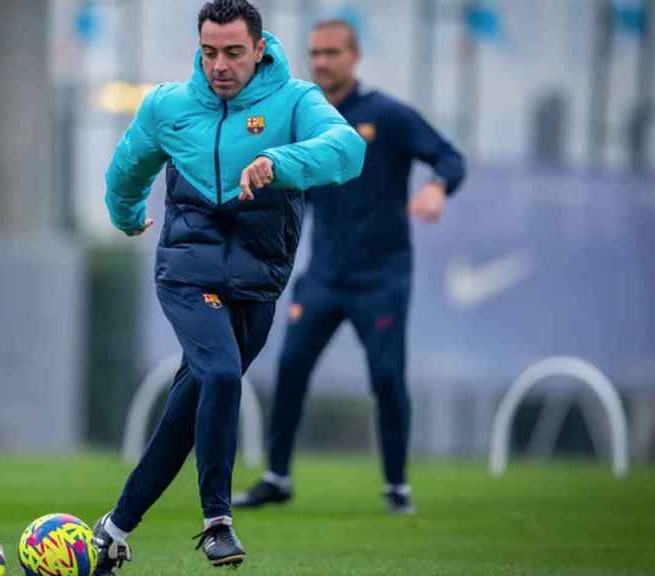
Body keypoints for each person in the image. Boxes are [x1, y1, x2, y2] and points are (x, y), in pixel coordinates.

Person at [90, 1, 366, 572]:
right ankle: (217, 520)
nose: (220, 64)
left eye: (233, 52)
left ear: (259, 49)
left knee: (188, 408)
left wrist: (279, 161)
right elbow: (127, 168)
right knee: (218, 373)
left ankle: (114, 529)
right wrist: (125, 213)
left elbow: (348, 151)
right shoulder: (169, 104)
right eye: (209, 51)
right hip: (187, 272)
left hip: (258, 280)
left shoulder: (294, 101)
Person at [232, 19, 465, 514]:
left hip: (381, 277)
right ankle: (277, 477)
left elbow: (448, 156)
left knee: (385, 375)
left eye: (331, 53)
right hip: (323, 275)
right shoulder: (306, 120)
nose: (320, 62)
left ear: (354, 57)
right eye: (314, 53)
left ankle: (397, 487)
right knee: (291, 367)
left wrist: (437, 186)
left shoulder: (388, 116)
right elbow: (297, 192)